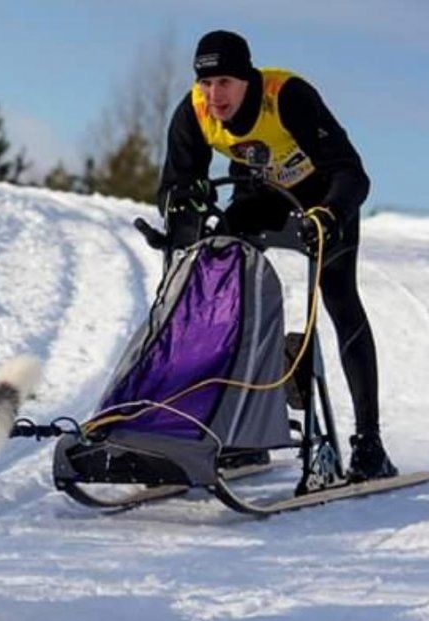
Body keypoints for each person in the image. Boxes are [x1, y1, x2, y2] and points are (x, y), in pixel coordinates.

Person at [156, 30, 397, 482]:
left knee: (340, 299)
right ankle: (241, 436)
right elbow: (172, 191)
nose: (214, 95)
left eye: (225, 82)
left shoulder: (287, 96)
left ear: (247, 78)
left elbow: (353, 174)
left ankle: (370, 444)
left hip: (322, 194)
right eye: (206, 83)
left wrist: (329, 213)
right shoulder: (194, 111)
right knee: (224, 286)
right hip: (260, 194)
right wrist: (183, 210)